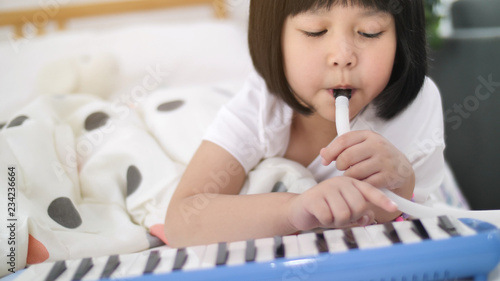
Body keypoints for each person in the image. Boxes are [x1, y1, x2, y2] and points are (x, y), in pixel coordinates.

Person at [164, 0, 445, 247]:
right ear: (274, 39)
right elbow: (181, 220)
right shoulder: (261, 106)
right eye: (315, 31)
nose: (343, 56)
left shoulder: (416, 104)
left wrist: (401, 182)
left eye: (369, 31)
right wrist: (292, 210)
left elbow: (395, 211)